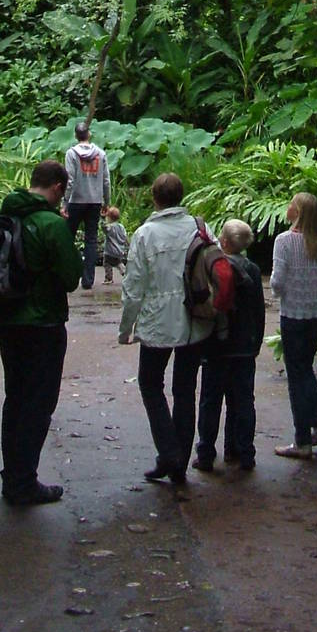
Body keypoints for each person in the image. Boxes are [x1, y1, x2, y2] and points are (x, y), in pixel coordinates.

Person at [0, 159, 82, 506]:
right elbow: (71, 278)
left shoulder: (5, 215)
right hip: (42, 322)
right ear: (57, 188)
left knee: (16, 397)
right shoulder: (51, 224)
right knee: (39, 402)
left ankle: (13, 475)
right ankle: (23, 481)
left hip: (5, 319)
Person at [118, 172, 214, 485]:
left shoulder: (145, 234)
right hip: (194, 320)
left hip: (157, 320)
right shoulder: (199, 228)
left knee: (150, 384)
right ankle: (178, 461)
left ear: (155, 198)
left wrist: (126, 328)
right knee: (185, 390)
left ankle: (168, 452)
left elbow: (133, 286)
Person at [269, 191, 317, 460]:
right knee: (304, 370)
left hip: (293, 316)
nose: (287, 207)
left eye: (291, 204)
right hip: (316, 314)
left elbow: (276, 282)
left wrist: (287, 291)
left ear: (297, 212)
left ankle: (302, 441)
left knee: (296, 376)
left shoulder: (284, 241)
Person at [193, 218, 265, 474]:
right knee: (243, 401)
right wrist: (257, 340)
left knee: (210, 401)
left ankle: (205, 454)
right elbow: (258, 310)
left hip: (217, 346)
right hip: (244, 346)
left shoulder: (215, 267)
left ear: (223, 241)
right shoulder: (253, 271)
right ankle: (243, 452)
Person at [65, 121, 111, 289]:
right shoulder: (101, 153)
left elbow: (69, 180)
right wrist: (107, 201)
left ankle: (68, 276)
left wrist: (64, 202)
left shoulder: (71, 154)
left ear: (76, 136)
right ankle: (88, 280)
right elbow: (106, 180)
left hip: (76, 200)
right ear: (89, 134)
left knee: (67, 238)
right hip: (95, 201)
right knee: (91, 239)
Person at [101, 205, 129, 284]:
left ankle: (108, 278)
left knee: (107, 264)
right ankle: (125, 272)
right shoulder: (121, 227)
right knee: (118, 263)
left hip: (110, 251)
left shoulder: (110, 227)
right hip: (119, 251)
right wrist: (128, 245)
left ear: (109, 217)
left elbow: (104, 227)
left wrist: (102, 219)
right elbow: (125, 237)